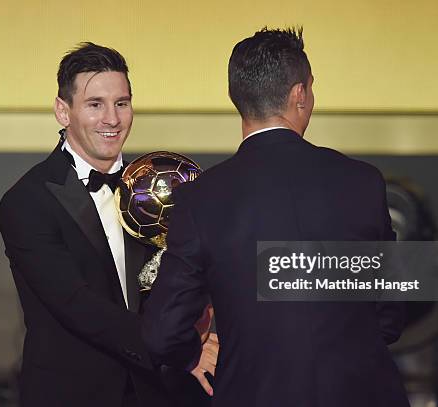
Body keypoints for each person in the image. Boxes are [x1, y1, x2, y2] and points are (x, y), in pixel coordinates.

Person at [143, 28, 410, 406]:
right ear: (299, 94)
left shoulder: (200, 199)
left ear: (237, 97)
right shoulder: (362, 181)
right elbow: (390, 312)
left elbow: (163, 331)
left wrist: (192, 351)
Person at [0, 42, 215, 407]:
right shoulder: (27, 201)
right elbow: (77, 304)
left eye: (122, 103)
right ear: (62, 111)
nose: (112, 119)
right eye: (95, 104)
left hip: (159, 393)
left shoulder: (157, 189)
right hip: (72, 396)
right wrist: (182, 351)